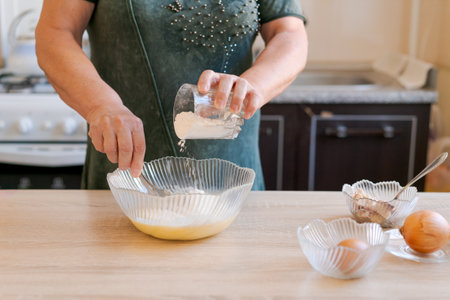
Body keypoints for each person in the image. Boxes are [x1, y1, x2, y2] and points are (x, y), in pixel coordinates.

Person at [35, 0, 308, 190]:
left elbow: (290, 33)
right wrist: (101, 105)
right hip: (127, 183)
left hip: (232, 182)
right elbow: (55, 33)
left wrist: (254, 85)